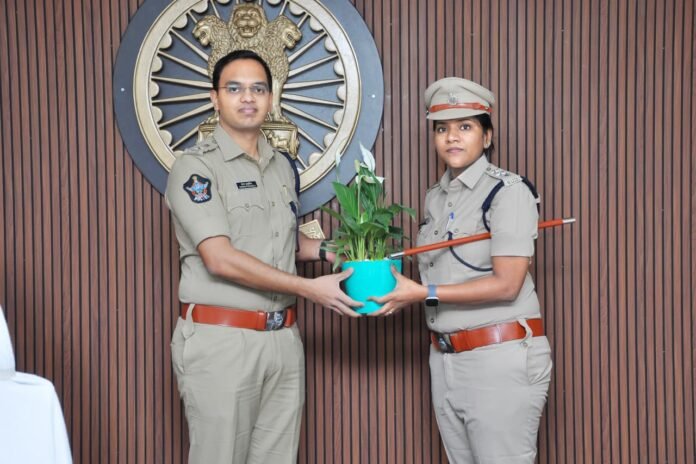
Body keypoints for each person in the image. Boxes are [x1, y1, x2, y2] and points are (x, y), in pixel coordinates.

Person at [165, 49, 360, 464]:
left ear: (271, 98)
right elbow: (220, 257)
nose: (247, 98)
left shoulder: (280, 166)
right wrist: (308, 288)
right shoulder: (195, 168)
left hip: (282, 340)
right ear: (215, 98)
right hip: (223, 340)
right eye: (234, 88)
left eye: (258, 89)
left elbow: (276, 241)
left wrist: (330, 252)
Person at [371, 77, 553, 464]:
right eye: (442, 128)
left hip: (498, 356)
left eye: (465, 127)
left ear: (487, 137)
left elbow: (507, 285)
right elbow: (444, 271)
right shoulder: (435, 198)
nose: (451, 137)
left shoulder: (508, 192)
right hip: (445, 358)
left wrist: (421, 293)